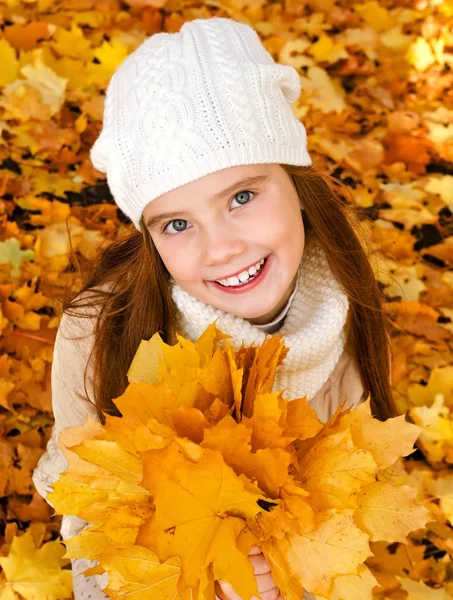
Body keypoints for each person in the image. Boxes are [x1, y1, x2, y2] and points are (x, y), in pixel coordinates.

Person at [32, 16, 397, 600]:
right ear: (151, 236)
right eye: (178, 224)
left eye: (243, 196)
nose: (221, 247)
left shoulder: (344, 310)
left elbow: (349, 511)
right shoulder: (101, 333)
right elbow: (93, 525)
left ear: (296, 184)